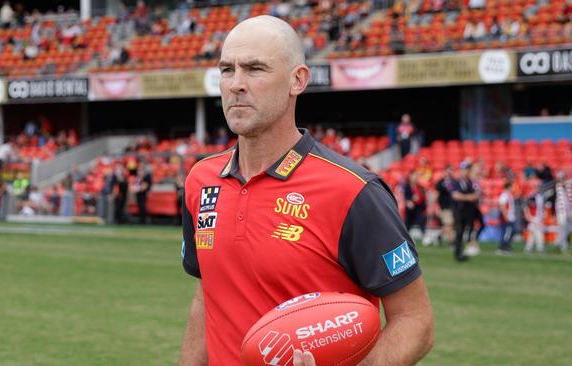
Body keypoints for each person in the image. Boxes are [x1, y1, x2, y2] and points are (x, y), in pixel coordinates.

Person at [179, 16, 433, 366]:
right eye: (227, 70)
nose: (236, 84)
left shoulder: (354, 191)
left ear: (297, 80)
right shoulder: (201, 179)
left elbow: (415, 320)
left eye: (255, 69)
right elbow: (207, 296)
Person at [450, 161, 478, 262]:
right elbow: (455, 195)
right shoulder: (456, 182)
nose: (466, 172)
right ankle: (458, 253)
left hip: (467, 211)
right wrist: (468, 197)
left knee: (462, 232)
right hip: (459, 210)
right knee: (459, 231)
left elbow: (476, 194)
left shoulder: (470, 182)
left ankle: (460, 251)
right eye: (465, 169)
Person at [434, 165, 455, 244]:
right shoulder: (441, 182)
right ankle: (451, 241)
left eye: (451, 170)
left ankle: (439, 236)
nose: (449, 172)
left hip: (452, 207)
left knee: (448, 224)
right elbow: (437, 194)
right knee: (449, 223)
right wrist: (436, 207)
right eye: (448, 170)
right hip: (444, 207)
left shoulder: (453, 181)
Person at [523, 182, 545, 254]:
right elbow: (526, 206)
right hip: (533, 217)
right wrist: (528, 215)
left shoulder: (542, 196)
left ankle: (528, 248)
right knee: (538, 233)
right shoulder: (532, 196)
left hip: (539, 217)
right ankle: (540, 248)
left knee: (533, 234)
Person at [554, 171, 572, 252]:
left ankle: (559, 240)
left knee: (570, 228)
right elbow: (559, 187)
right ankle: (563, 245)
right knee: (562, 227)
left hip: (569, 210)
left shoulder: (569, 186)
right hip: (561, 211)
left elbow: (570, 198)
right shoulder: (558, 186)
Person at [497, 181, 516, 254]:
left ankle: (506, 245)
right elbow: (502, 205)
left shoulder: (509, 195)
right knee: (506, 232)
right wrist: (506, 216)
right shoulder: (504, 195)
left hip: (510, 216)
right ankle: (503, 246)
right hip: (507, 217)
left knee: (511, 231)